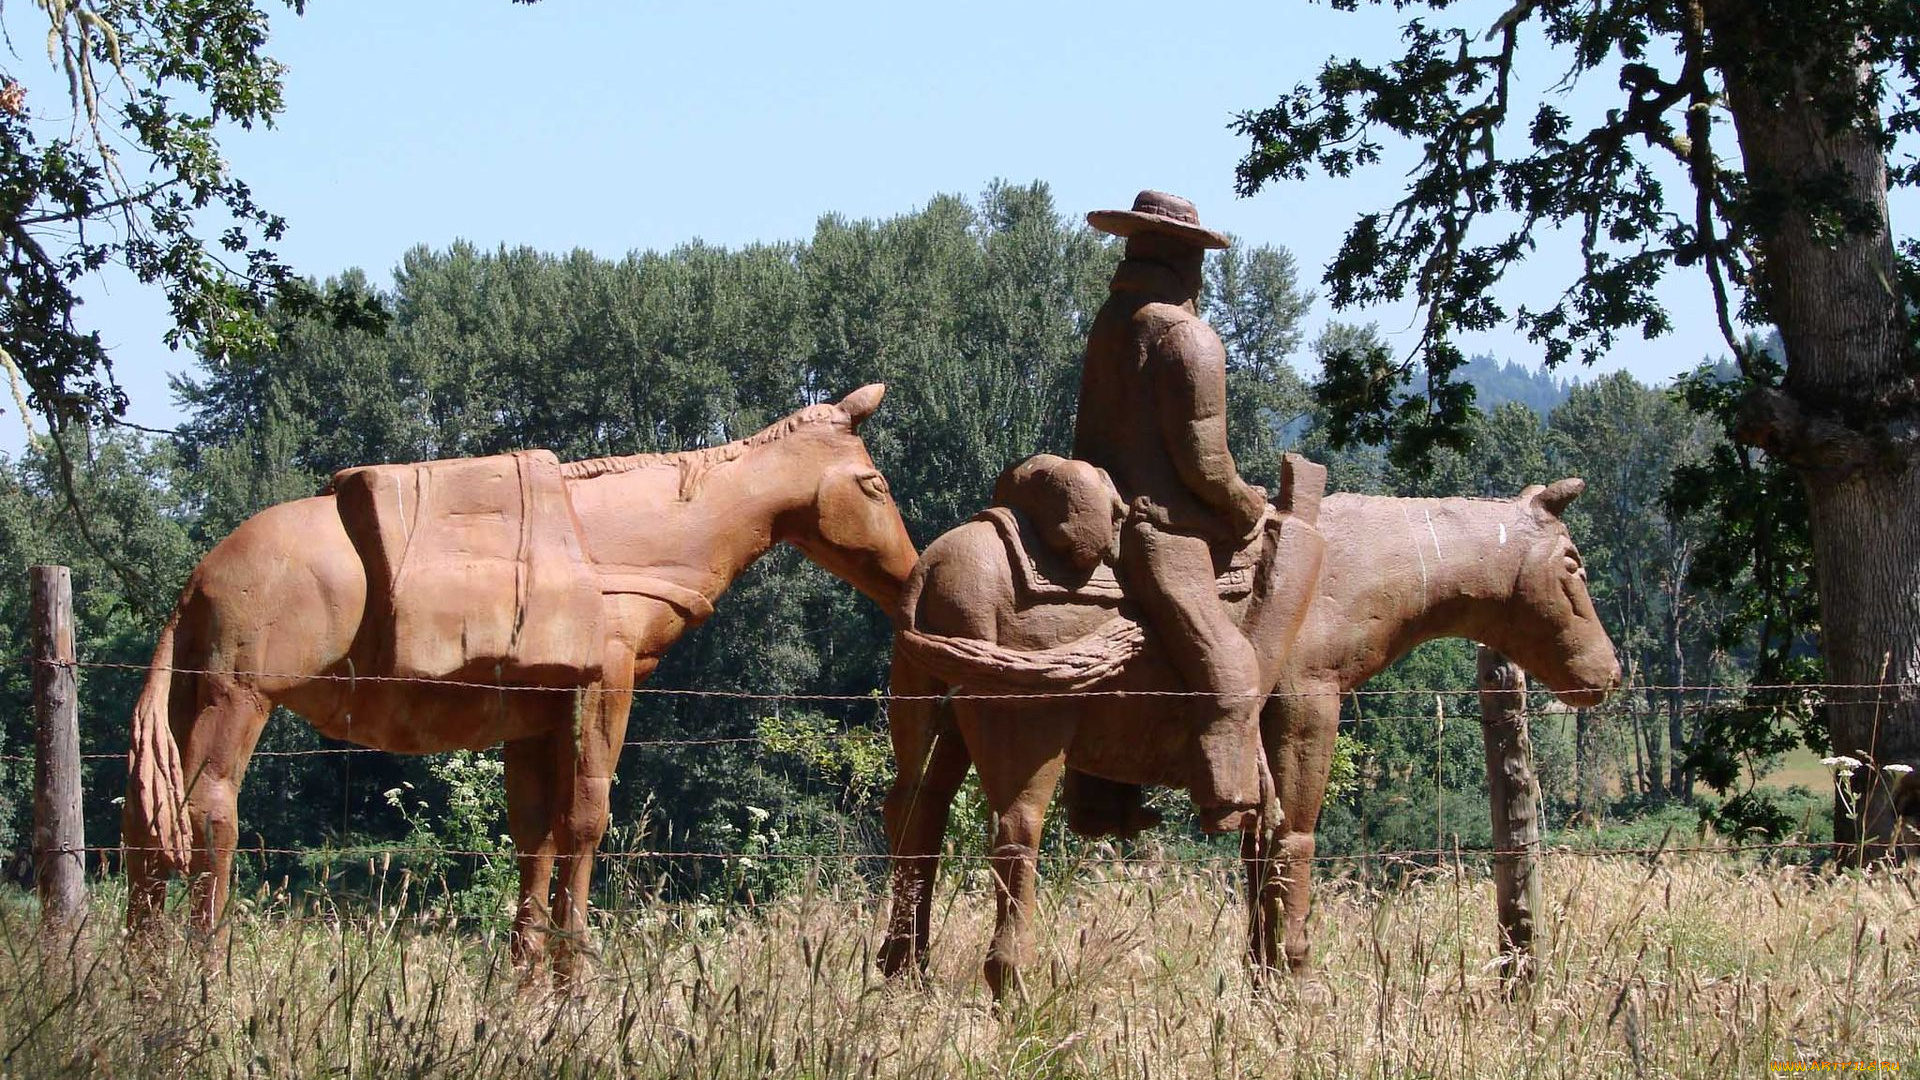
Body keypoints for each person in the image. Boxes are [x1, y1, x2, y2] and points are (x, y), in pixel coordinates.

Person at [1074, 190, 1268, 833]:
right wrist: (1246, 507)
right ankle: (1225, 797)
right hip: (1158, 527)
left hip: (1096, 508)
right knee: (1232, 662)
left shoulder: (1109, 323)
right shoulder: (1188, 337)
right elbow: (1204, 461)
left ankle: (1101, 791)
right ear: (1189, 263)